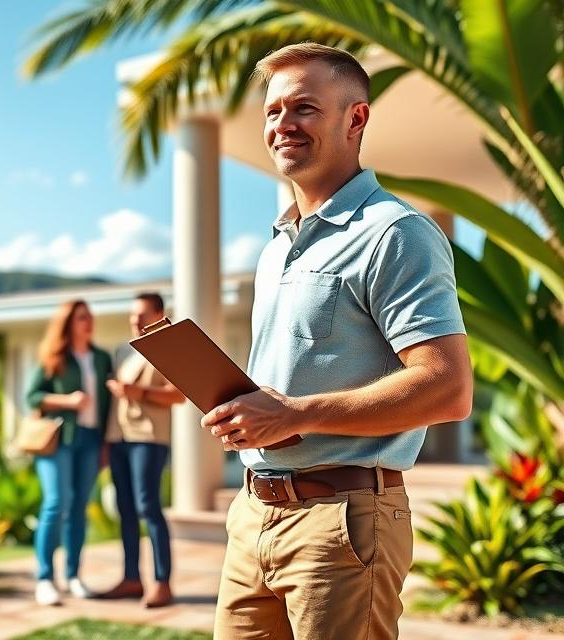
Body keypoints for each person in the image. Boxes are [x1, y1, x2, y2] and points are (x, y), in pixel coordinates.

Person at [203, 43, 472, 640]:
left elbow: (447, 388)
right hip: (253, 515)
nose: (282, 126)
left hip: (343, 522)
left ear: (356, 119)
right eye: (272, 112)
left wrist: (295, 414)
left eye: (304, 108)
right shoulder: (277, 245)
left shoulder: (395, 234)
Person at [97, 292, 186, 608]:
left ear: (159, 314)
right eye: (132, 316)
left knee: (149, 507)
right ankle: (132, 578)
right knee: (125, 509)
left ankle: (162, 583)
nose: (135, 321)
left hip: (149, 438)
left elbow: (178, 396)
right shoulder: (124, 350)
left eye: (142, 315)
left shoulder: (169, 349)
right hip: (119, 437)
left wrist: (137, 392)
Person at [25, 299, 113, 606]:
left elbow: (108, 404)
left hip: (91, 440)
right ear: (67, 323)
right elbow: (32, 396)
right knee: (55, 504)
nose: (87, 322)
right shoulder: (54, 357)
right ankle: (45, 579)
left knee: (79, 508)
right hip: (59, 440)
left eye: (89, 316)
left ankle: (74, 576)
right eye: (80, 318)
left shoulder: (102, 358)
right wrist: (67, 401)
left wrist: (105, 444)